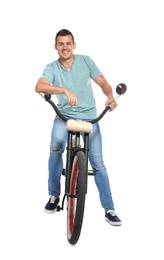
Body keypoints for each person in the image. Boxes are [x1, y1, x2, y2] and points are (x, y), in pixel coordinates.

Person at [35, 29, 122, 226]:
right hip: (64, 116)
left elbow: (104, 84)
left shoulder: (86, 61)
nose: (65, 47)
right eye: (61, 44)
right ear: (55, 47)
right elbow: (39, 86)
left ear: (74, 45)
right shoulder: (52, 68)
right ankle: (54, 195)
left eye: (68, 43)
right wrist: (64, 90)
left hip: (90, 117)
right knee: (56, 145)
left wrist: (109, 97)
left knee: (98, 163)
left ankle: (109, 208)